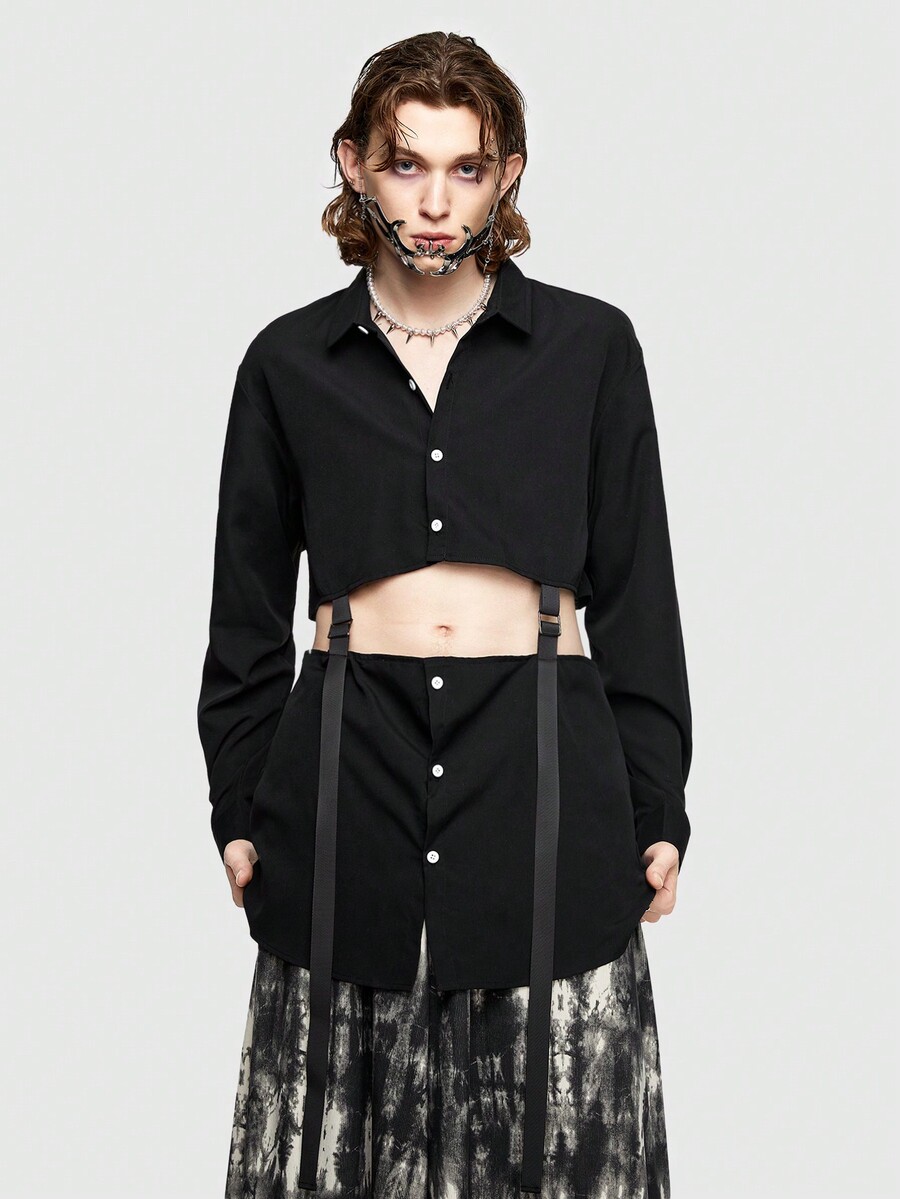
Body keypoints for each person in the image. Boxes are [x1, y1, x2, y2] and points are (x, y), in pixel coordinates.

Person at [197, 31, 692, 1199]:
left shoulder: (590, 348)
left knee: (553, 1129)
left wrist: (659, 800)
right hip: (345, 756)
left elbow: (639, 595)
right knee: (332, 1131)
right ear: (354, 164)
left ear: (507, 172)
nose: (433, 202)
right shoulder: (287, 363)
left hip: (541, 755)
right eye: (406, 163)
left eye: (465, 168)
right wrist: (237, 799)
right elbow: (245, 615)